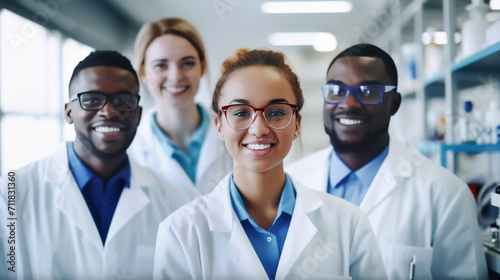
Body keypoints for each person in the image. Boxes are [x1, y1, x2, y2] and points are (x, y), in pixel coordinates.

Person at [153, 49, 388, 279]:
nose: (259, 129)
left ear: (296, 124)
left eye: (276, 112)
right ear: (219, 126)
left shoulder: (348, 223)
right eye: (241, 113)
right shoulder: (181, 233)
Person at [286, 43, 488, 279]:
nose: (349, 103)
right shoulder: (291, 182)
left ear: (394, 104)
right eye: (336, 90)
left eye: (368, 91)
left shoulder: (445, 194)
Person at [0, 50, 189, 279]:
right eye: (91, 100)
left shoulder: (174, 203)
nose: (108, 112)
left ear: (138, 114)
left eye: (124, 101)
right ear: (69, 112)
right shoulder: (10, 194)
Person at [128, 18, 232, 198]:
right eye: (161, 65)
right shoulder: (130, 150)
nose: (175, 77)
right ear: (143, 72)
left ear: (202, 66)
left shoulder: (235, 135)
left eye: (187, 63)